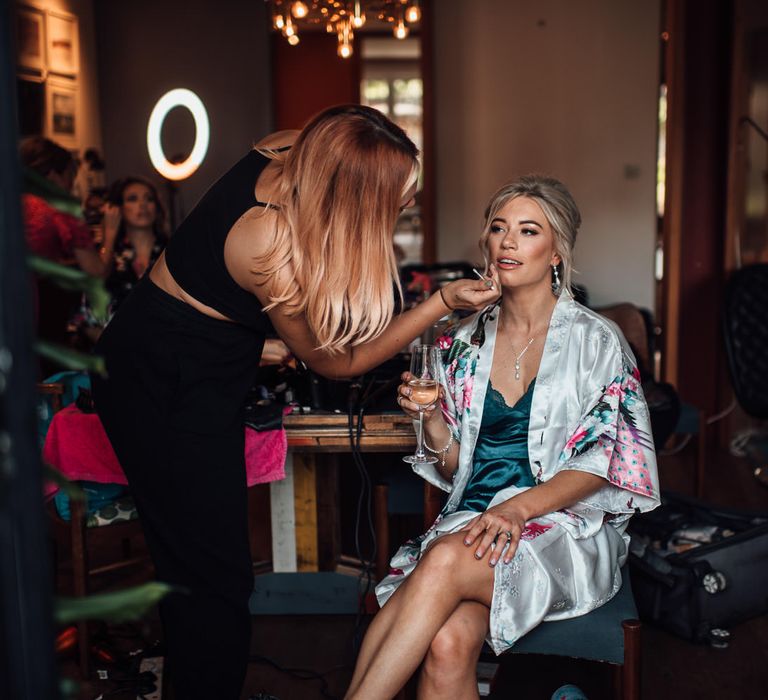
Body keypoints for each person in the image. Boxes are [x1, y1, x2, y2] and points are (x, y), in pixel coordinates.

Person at [91, 104, 498, 700]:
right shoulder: (267, 240)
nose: (404, 208)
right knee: (214, 581)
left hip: (178, 358)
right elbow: (334, 362)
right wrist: (437, 303)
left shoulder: (286, 146)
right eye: (394, 200)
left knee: (194, 569)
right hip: (165, 383)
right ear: (353, 192)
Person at [345, 175, 661, 699]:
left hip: (560, 528)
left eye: (528, 230)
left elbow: (603, 460)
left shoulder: (597, 343)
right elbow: (454, 468)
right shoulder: (460, 344)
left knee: (443, 558)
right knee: (446, 643)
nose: (509, 241)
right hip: (475, 521)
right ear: (486, 244)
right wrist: (429, 421)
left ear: (556, 250)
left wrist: (517, 510)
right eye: (498, 228)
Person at [72, 176, 168, 345]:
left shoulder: (171, 251)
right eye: (132, 199)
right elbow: (87, 318)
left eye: (149, 198)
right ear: (118, 209)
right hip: (118, 354)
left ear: (157, 208)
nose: (142, 204)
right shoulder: (108, 258)